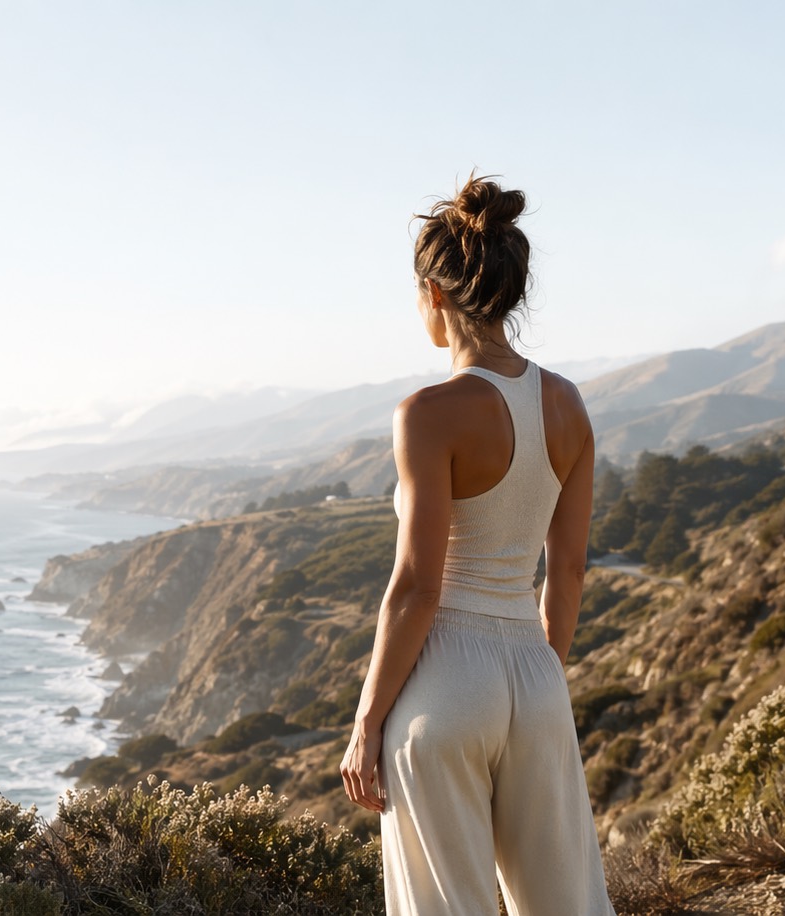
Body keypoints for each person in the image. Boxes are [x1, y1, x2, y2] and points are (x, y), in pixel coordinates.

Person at [339, 173, 615, 915]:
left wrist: (366, 725)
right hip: (534, 671)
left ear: (434, 294)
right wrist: (540, 677)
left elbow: (415, 586)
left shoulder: (427, 412)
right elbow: (570, 568)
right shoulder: (567, 404)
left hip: (444, 686)